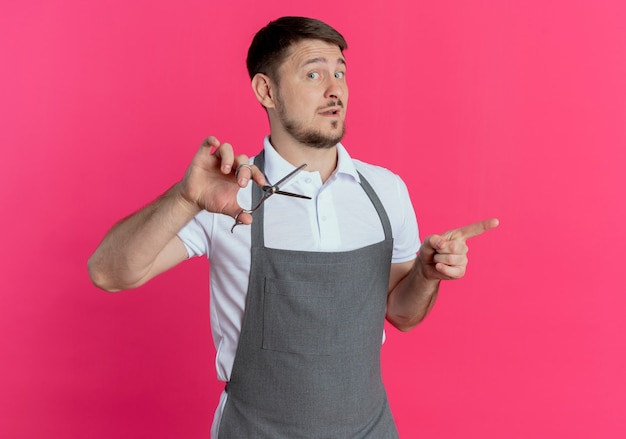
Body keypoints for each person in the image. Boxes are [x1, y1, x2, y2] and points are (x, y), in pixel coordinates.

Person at [88, 16, 499, 439]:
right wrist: (183, 199)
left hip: (370, 429)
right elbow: (108, 273)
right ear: (266, 91)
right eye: (313, 73)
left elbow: (402, 315)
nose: (334, 87)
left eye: (339, 72)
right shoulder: (227, 193)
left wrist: (427, 276)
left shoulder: (386, 191)